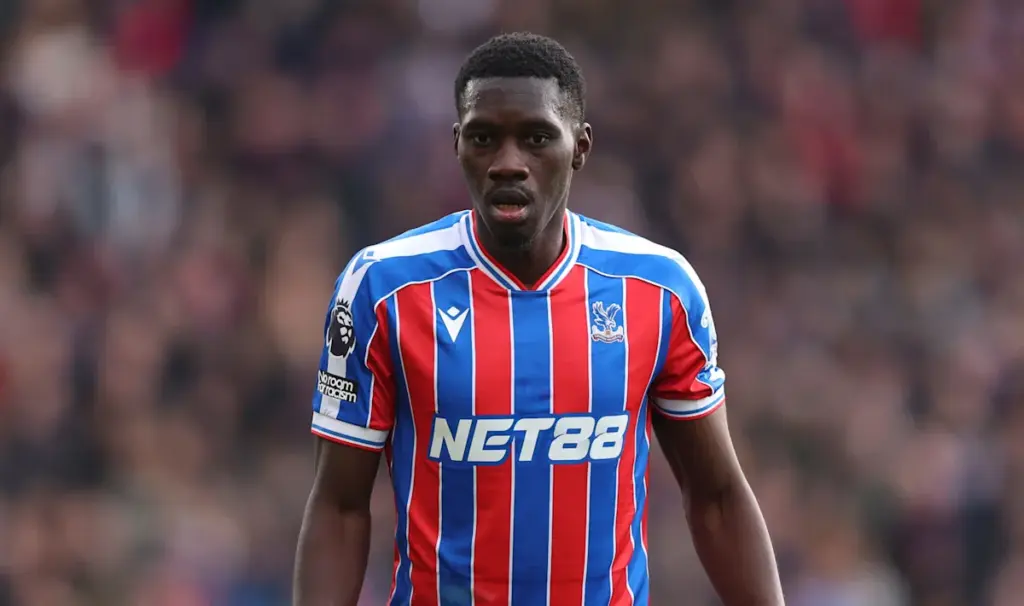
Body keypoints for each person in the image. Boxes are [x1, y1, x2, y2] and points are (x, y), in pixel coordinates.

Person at [293, 32, 784, 606]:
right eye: (483, 138)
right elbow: (340, 507)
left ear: (580, 146)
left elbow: (717, 498)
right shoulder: (383, 289)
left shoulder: (659, 290)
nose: (508, 163)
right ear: (457, 144)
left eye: (536, 138)